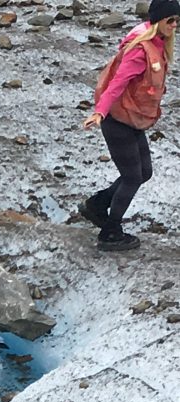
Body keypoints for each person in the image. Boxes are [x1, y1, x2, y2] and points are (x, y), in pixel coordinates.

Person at [80, 0, 178, 252]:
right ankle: (110, 232)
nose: (175, 25)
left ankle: (97, 205)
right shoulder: (140, 50)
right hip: (117, 121)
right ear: (158, 20)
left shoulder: (156, 43)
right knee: (133, 176)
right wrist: (100, 112)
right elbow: (118, 83)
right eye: (171, 20)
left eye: (178, 21)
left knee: (144, 172)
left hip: (132, 119)